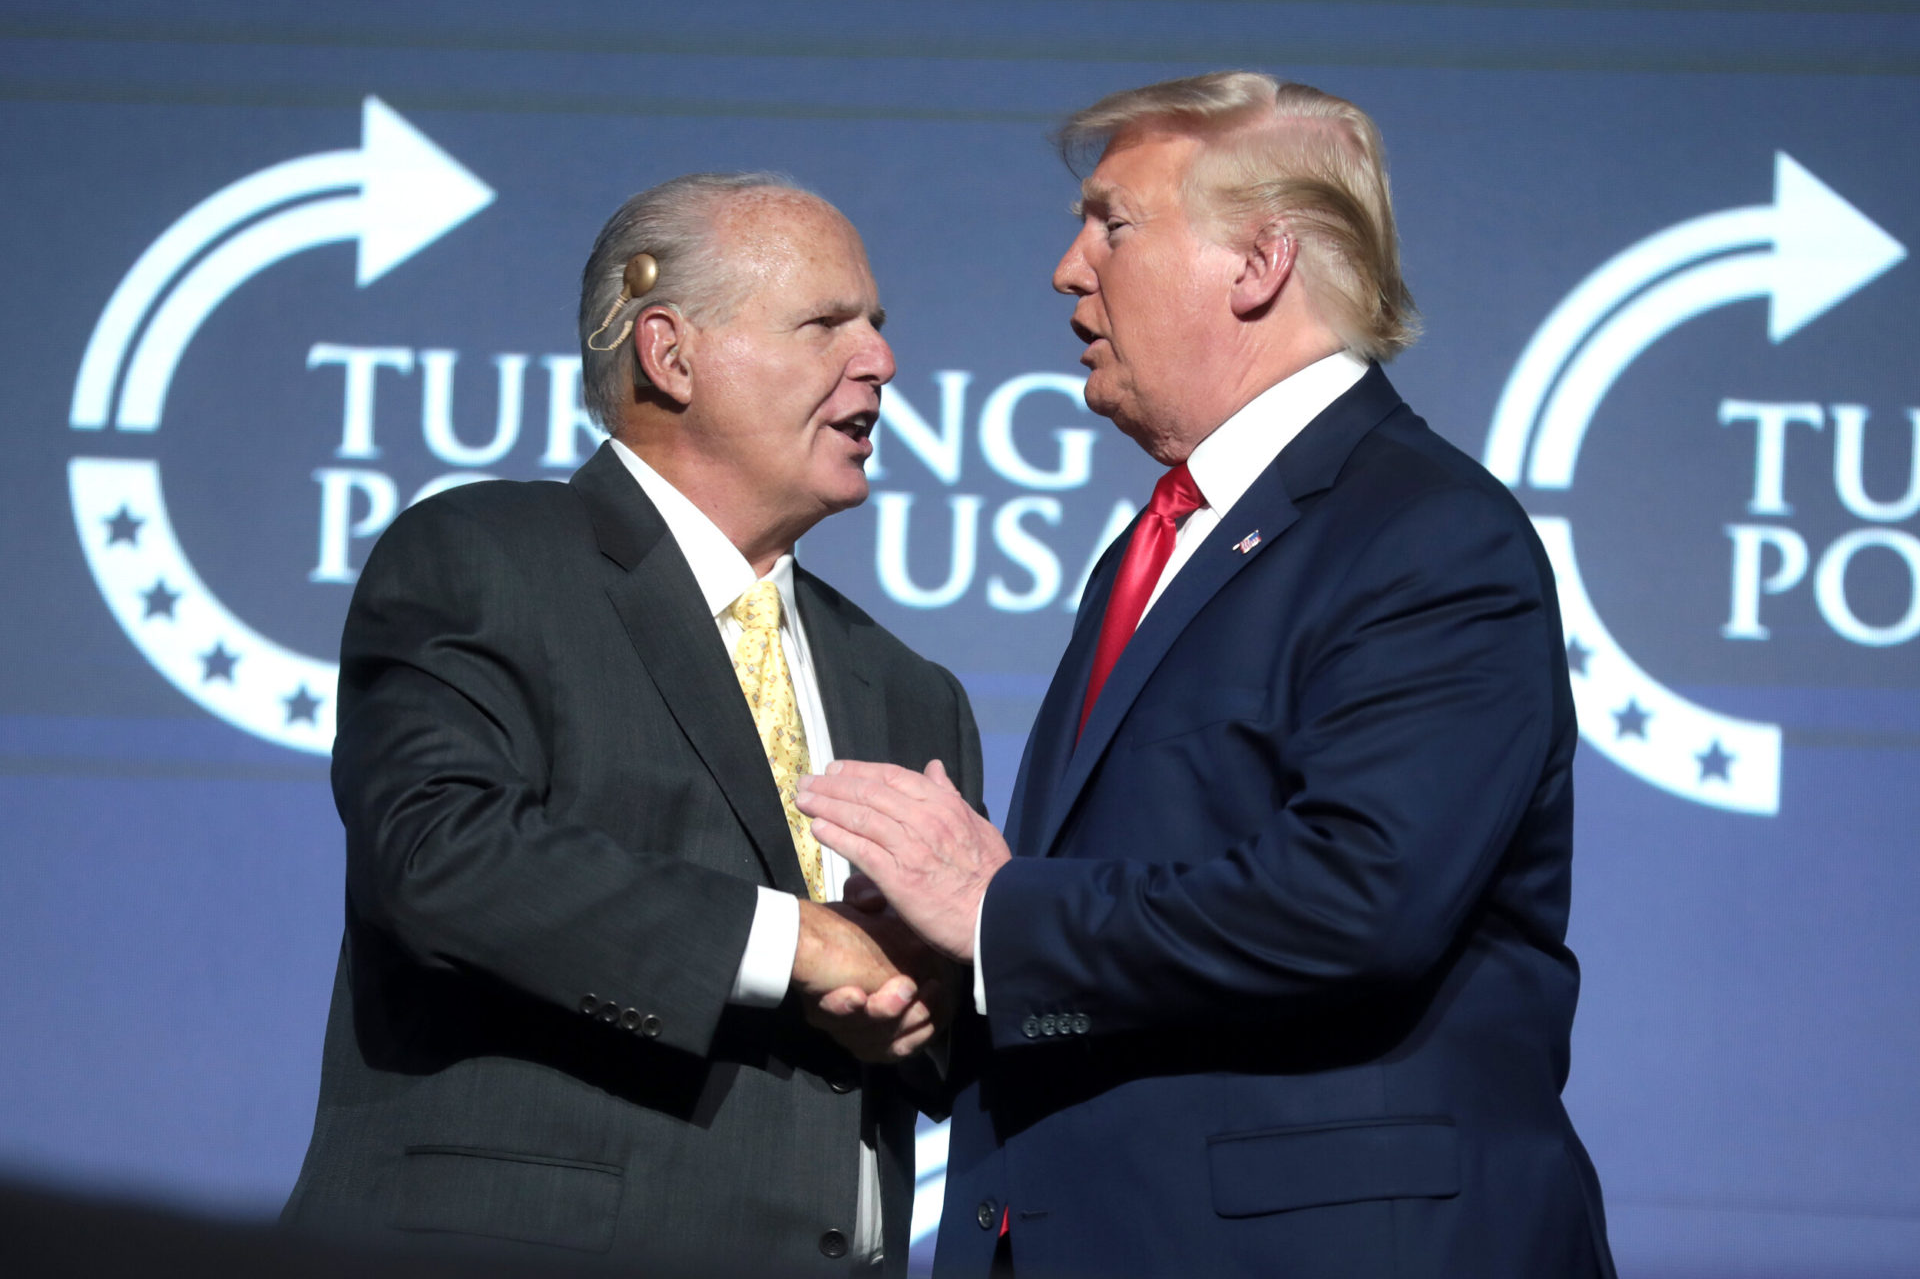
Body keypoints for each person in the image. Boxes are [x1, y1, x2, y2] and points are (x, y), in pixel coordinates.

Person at [797, 73, 1616, 1278]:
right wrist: (946, 974)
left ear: (1259, 264)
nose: (1069, 269)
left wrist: (999, 912)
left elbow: (1358, 896)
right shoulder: (1158, 543)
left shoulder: (1427, 533)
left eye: (1112, 223)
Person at [284, 173, 981, 1277]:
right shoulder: (485, 556)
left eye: (878, 328)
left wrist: (938, 992)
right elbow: (440, 858)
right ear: (671, 353)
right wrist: (791, 939)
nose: (880, 362)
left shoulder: (909, 687)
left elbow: (934, 1042)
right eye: (825, 324)